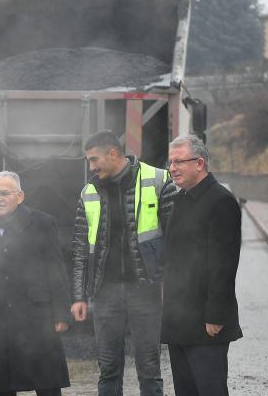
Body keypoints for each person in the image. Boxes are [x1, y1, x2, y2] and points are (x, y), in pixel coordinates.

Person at [70, 131, 169, 396]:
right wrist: (79, 296)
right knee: (108, 369)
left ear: (113, 154)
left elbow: (175, 239)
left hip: (145, 291)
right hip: (106, 294)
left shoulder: (158, 180)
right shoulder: (89, 191)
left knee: (149, 369)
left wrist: (168, 284)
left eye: (94, 159)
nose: (91, 167)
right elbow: (80, 248)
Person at [0, 171, 71, 396]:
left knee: (47, 384)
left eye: (4, 193)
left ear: (20, 196)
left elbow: (56, 269)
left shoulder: (42, 223)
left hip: (37, 318)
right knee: (1, 386)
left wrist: (61, 312)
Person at [161, 134, 242, 396]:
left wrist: (216, 316)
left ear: (199, 163)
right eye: (171, 162)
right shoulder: (181, 199)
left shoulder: (221, 201)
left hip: (206, 322)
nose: (172, 168)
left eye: (179, 162)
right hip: (179, 318)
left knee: (210, 390)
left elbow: (224, 264)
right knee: (186, 391)